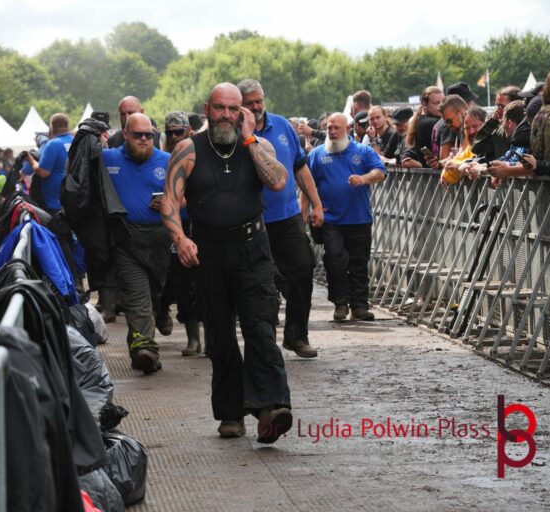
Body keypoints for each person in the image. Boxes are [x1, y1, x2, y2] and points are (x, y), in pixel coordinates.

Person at [160, 83, 293, 443]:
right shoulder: (188, 149)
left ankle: (271, 407)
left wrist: (250, 140)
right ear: (207, 109)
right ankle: (231, 413)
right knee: (220, 336)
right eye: (220, 108)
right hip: (208, 252)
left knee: (261, 327)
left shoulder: (256, 147)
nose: (226, 116)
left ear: (243, 113)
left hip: (253, 249)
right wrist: (180, 239)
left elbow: (279, 181)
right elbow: (171, 202)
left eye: (234, 110)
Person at [238, 78, 323, 359]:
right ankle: (262, 342)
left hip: (287, 217)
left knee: (302, 270)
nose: (256, 107)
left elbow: (301, 168)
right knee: (259, 281)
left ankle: (297, 336)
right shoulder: (233, 132)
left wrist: (316, 205)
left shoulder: (283, 125)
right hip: (250, 219)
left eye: (259, 101)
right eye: (249, 103)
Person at [103, 113, 171, 374]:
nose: (144, 139)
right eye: (138, 135)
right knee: (137, 297)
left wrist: (170, 202)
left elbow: (187, 199)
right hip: (126, 240)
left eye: (149, 135)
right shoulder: (108, 159)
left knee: (154, 297)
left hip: (160, 240)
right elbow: (78, 169)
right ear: (125, 134)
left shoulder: (166, 161)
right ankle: (146, 350)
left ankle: (143, 340)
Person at [307, 113, 386, 322]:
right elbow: (306, 183)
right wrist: (309, 210)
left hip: (359, 218)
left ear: (347, 129)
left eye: (336, 128)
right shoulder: (317, 154)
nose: (332, 132)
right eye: (329, 128)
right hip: (331, 219)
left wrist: (363, 178)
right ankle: (340, 303)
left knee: (359, 263)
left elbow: (380, 172)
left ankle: (360, 306)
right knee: (335, 259)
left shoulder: (363, 151)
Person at [156, 111, 204, 356]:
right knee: (181, 281)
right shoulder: (162, 159)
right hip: (176, 231)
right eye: (170, 132)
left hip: (204, 227)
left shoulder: (198, 155)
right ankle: (193, 338)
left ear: (189, 132)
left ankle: (214, 336)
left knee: (207, 282)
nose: (174, 136)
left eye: (179, 132)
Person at [25, 113, 73, 215]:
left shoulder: (53, 144)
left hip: (53, 203)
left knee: (53, 230)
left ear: (51, 127)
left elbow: (43, 172)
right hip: (73, 199)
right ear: (67, 126)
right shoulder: (76, 141)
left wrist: (31, 160)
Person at [472, 85, 521, 161]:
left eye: (502, 106)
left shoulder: (525, 130)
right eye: (497, 106)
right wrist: (491, 122)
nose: (498, 110)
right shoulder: (498, 131)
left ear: (515, 105)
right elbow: (477, 148)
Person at [401, 86, 443, 168]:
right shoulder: (430, 123)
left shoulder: (420, 120)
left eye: (443, 102)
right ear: (424, 104)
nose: (441, 106)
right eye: (436, 103)